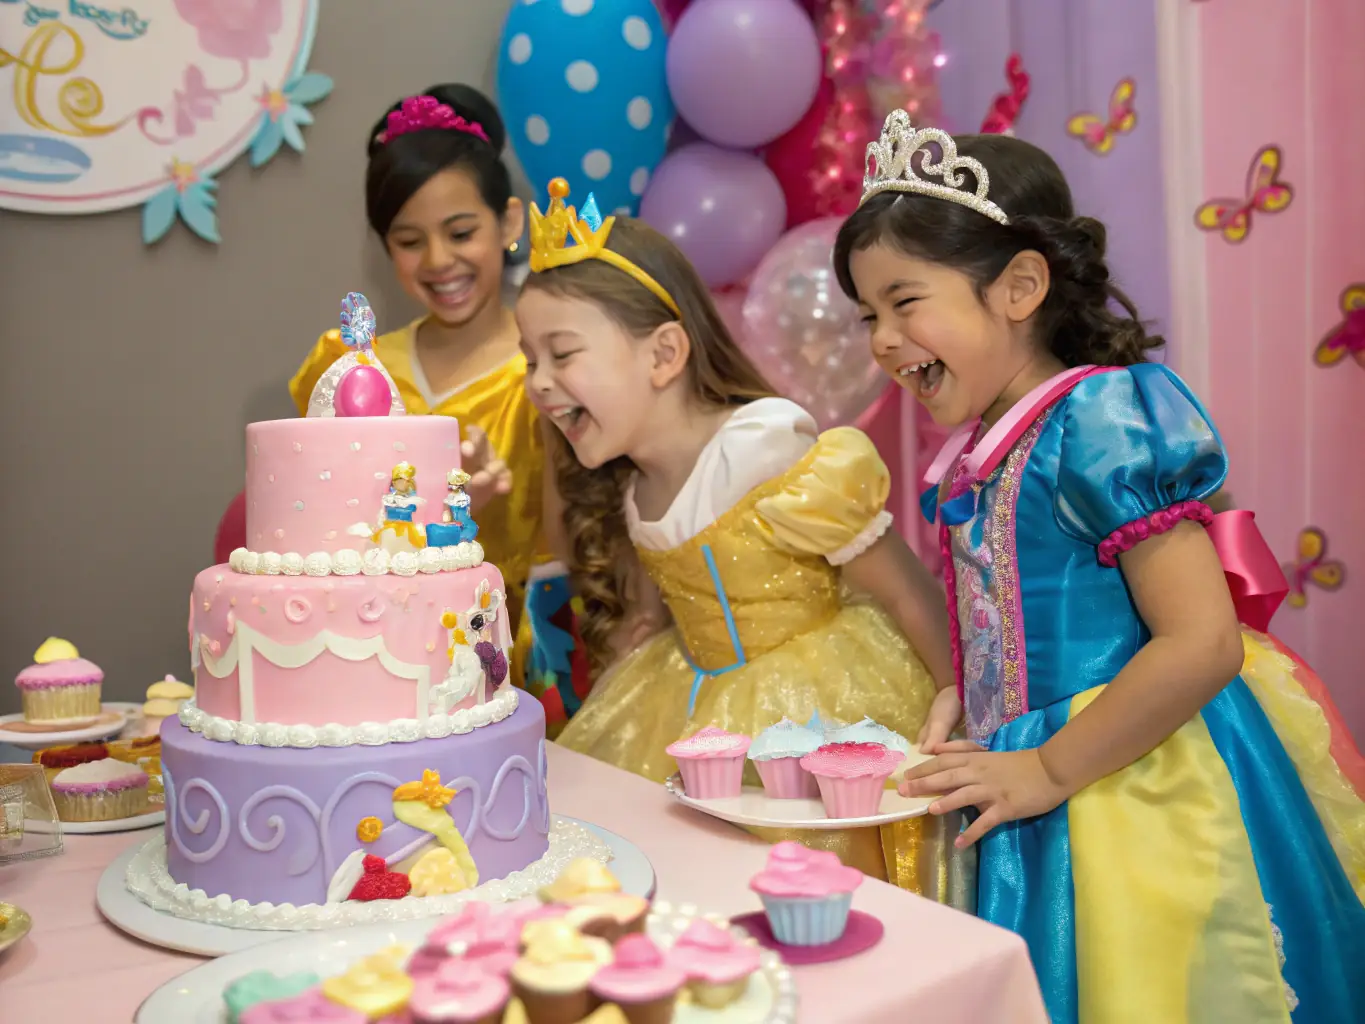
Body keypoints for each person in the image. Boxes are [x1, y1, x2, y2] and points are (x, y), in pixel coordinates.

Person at [837, 111, 1365, 1022]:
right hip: (1030, 765)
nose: (883, 339)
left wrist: (1045, 769)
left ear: (1019, 288)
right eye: (867, 315)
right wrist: (975, 687)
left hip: (1130, 771)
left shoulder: (1099, 422)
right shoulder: (983, 447)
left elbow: (1200, 643)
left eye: (904, 301)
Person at [516, 177, 966, 899]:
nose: (538, 382)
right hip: (692, 702)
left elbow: (904, 587)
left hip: (813, 706)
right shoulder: (633, 485)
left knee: (810, 877)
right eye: (529, 358)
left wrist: (957, 698)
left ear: (664, 354)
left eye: (561, 354)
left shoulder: (758, 445)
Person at [287, 84, 584, 722]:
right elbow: (314, 524)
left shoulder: (548, 374)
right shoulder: (349, 369)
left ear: (507, 223)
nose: (439, 260)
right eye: (409, 240)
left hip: (513, 667)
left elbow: (572, 551)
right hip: (363, 665)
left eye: (460, 231)